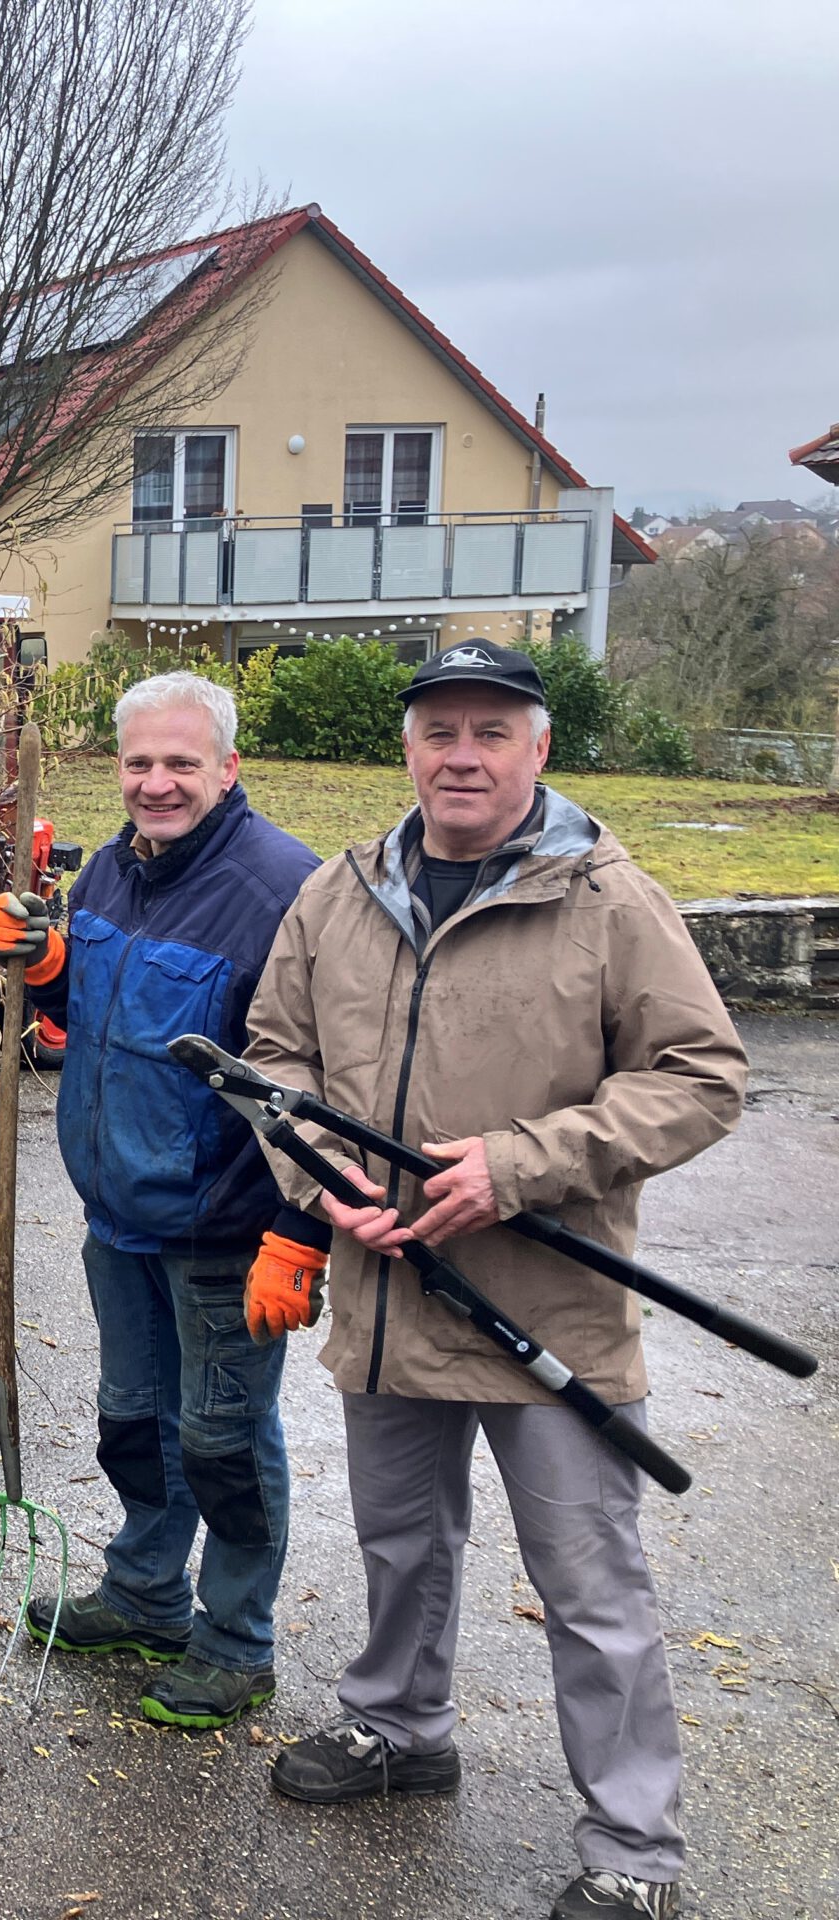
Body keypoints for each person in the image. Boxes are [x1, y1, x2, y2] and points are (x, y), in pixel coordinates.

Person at [245, 641, 744, 1920]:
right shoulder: (341, 893)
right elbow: (273, 1056)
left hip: (548, 1307)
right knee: (399, 1542)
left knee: (590, 1584)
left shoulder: (611, 901)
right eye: (437, 732)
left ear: (536, 749)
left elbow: (698, 1077)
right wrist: (319, 1184)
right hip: (389, 1292)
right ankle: (398, 1727)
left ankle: (632, 1851)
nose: (460, 756)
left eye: (489, 732)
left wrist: (520, 1165)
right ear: (406, 747)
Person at [0, 670, 322, 1728]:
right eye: (138, 762)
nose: (156, 782)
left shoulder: (284, 893)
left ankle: (234, 1644)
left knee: (222, 1443)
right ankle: (141, 1595)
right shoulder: (118, 874)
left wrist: (298, 1230)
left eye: (181, 762)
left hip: (224, 1229)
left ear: (228, 768)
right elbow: (89, 1013)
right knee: (136, 1423)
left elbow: (319, 1087)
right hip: (118, 1212)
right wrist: (43, 968)